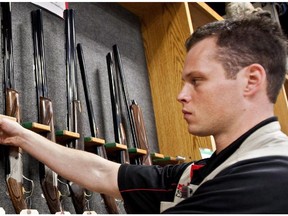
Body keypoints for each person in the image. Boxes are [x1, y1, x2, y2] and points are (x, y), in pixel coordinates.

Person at [0, 14, 288, 214]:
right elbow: (104, 171)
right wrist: (22, 137)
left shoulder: (269, 175)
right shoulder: (206, 170)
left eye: (197, 80)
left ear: (252, 80)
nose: (181, 95)